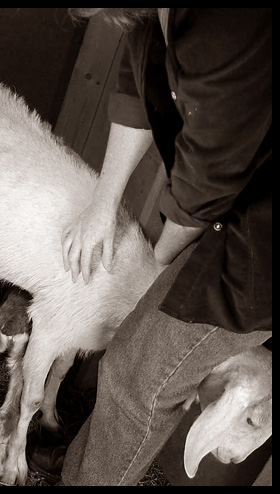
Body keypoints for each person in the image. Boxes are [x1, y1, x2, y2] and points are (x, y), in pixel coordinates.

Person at [28, 8, 271, 485]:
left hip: (258, 245)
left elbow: (208, 179)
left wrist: (155, 272)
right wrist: (103, 203)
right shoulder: (148, 15)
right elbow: (135, 79)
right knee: (137, 368)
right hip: (230, 210)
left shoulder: (227, 24)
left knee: (139, 384)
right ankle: (86, 465)